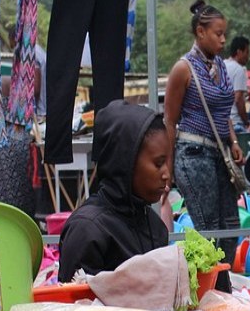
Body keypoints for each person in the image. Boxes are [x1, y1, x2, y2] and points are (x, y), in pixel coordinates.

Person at [163, 0, 242, 289]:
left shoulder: (220, 66)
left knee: (231, 227)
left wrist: (233, 141)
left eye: (224, 34)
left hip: (220, 154)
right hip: (193, 154)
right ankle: (213, 290)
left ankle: (222, 286)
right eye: (218, 33)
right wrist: (168, 168)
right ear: (200, 32)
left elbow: (224, 113)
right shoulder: (183, 69)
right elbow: (169, 121)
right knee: (209, 228)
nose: (223, 39)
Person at [58, 100, 171, 281]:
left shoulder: (155, 226)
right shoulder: (87, 230)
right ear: (125, 162)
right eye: (158, 164)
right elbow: (73, 306)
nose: (167, 174)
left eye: (167, 162)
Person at [7, 22, 47, 116]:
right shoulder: (37, 50)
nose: (14, 50)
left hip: (39, 112)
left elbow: (35, 89)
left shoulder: (29, 53)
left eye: (13, 46)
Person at [224, 35, 250, 132]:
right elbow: (238, 99)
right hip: (236, 124)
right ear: (239, 52)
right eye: (247, 52)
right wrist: (246, 121)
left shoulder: (222, 65)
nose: (248, 57)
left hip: (222, 123)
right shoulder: (239, 70)